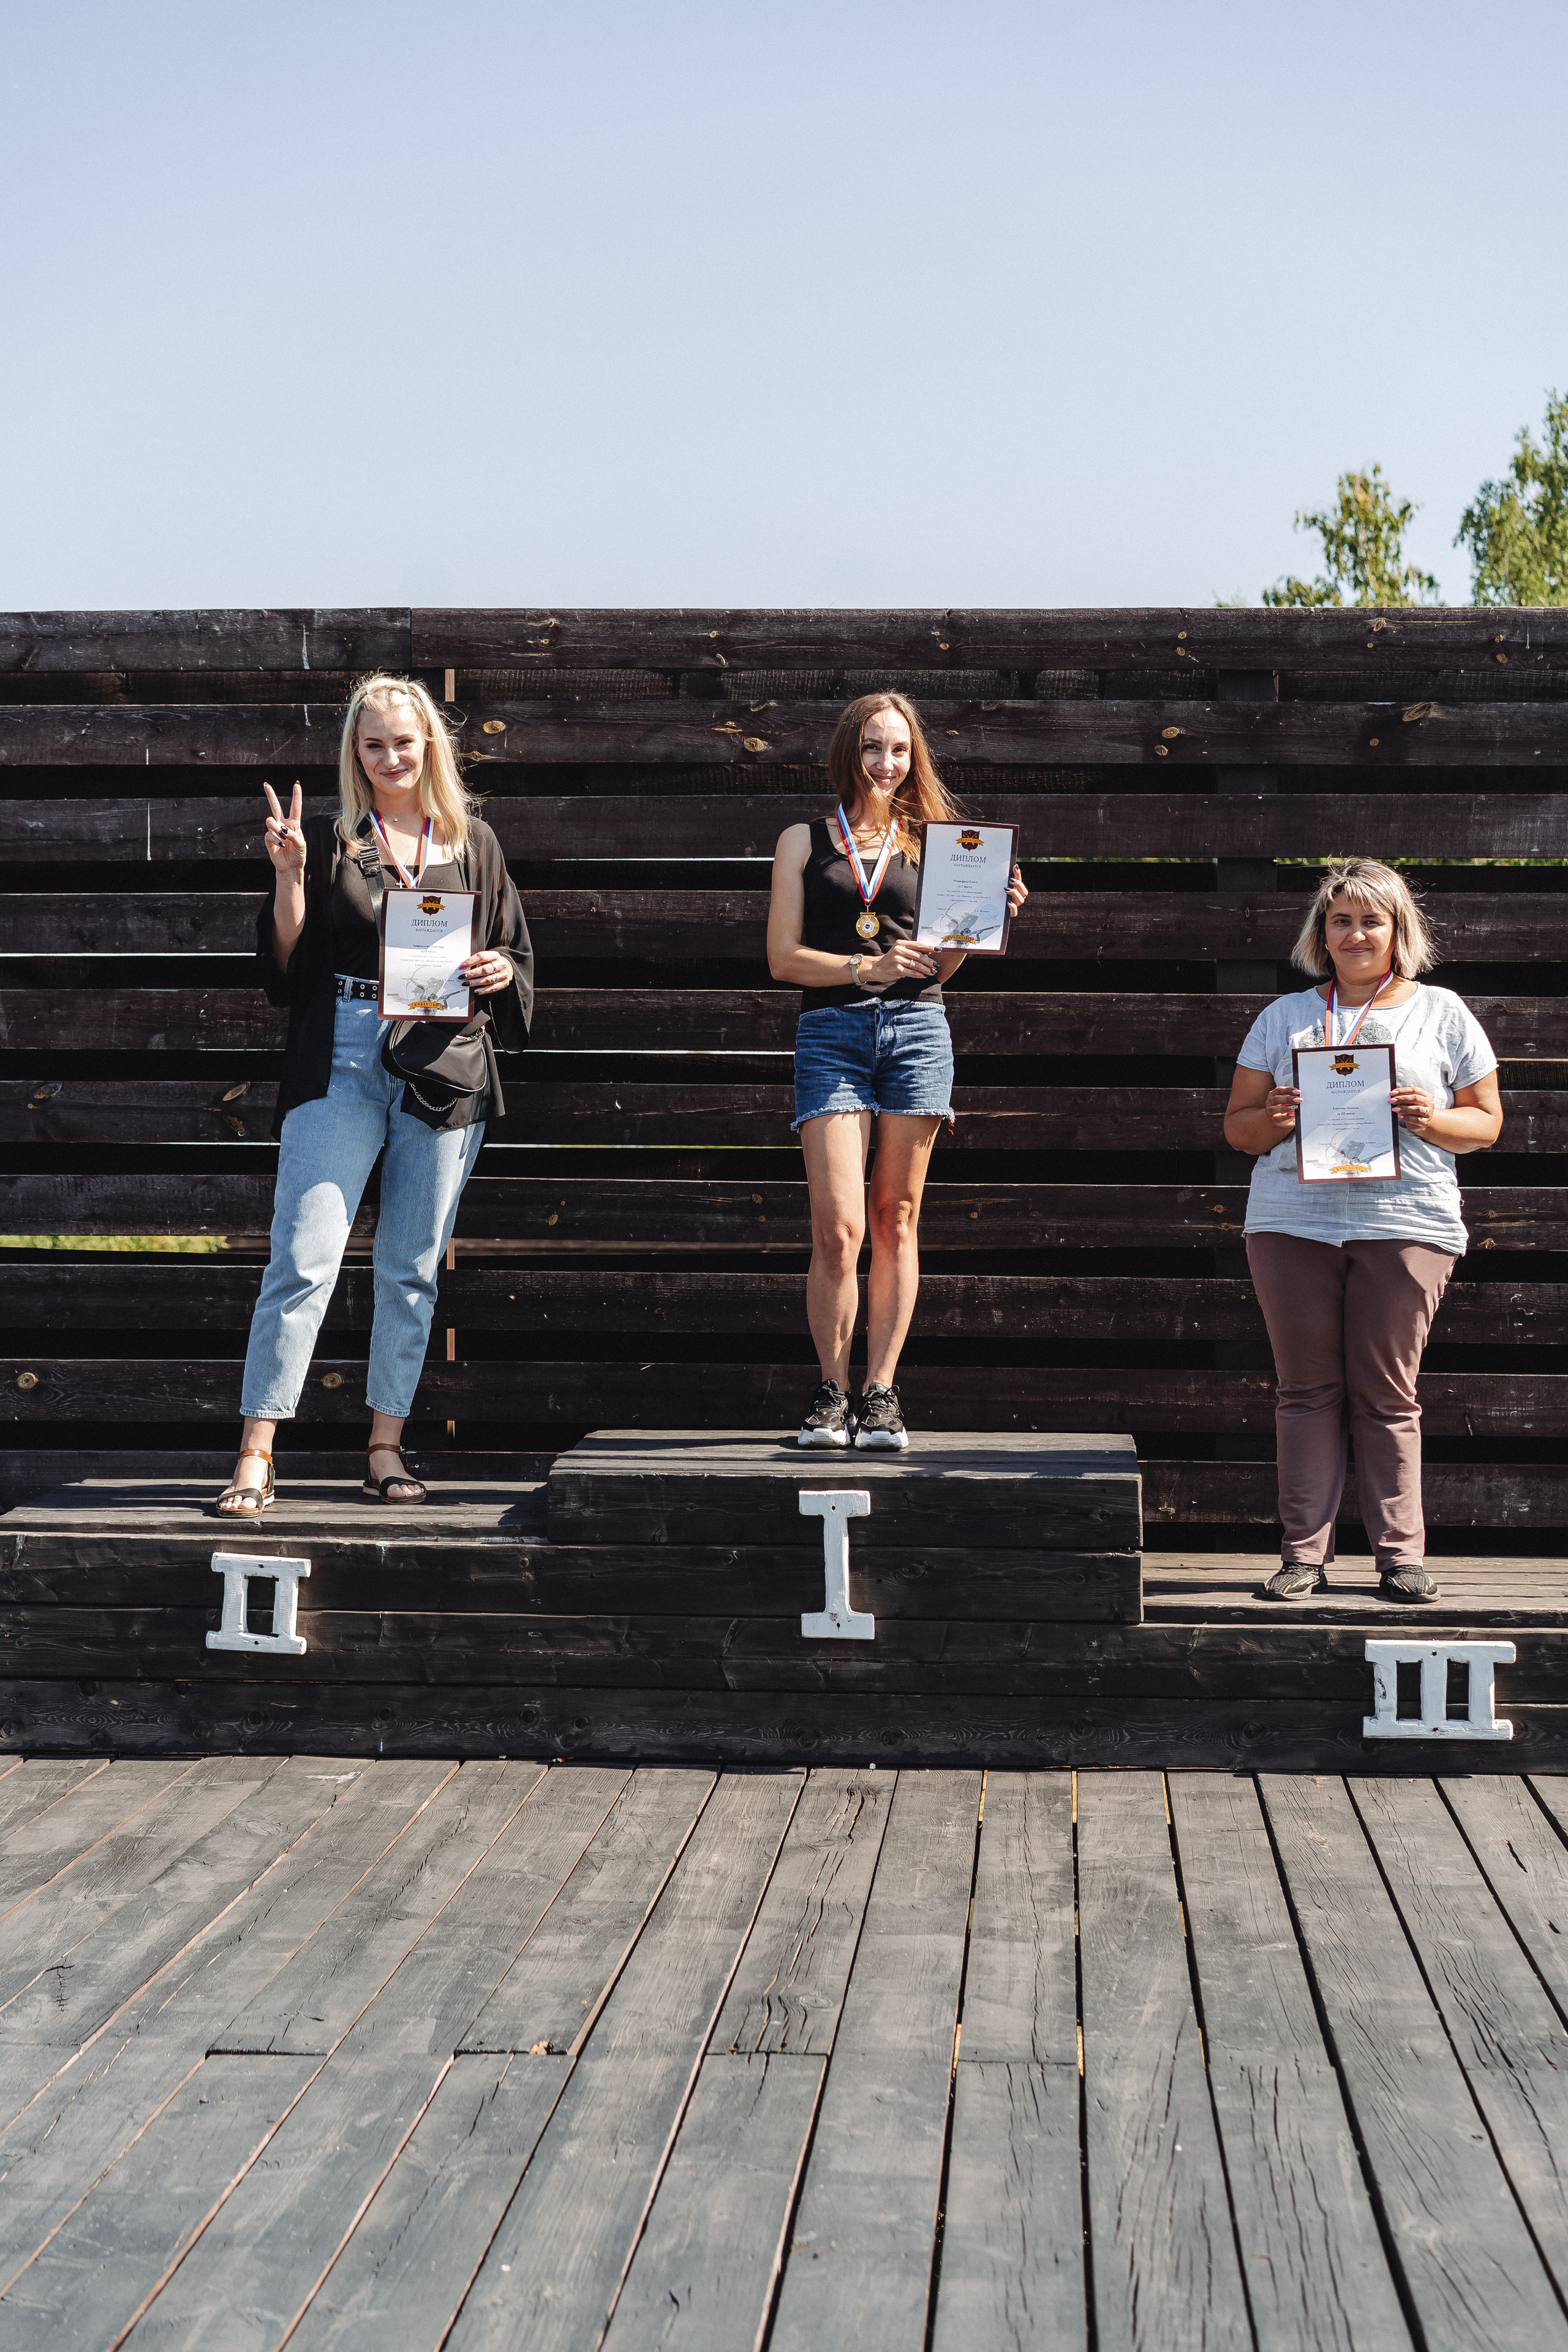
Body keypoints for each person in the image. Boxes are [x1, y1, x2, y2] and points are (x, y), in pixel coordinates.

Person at [216, 675, 533, 1515]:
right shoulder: (330, 839)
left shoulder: (474, 843)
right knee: (303, 1258)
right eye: (373, 745)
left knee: (411, 1270)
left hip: (443, 1061)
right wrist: (289, 875)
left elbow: (512, 954)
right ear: (354, 754)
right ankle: (256, 1452)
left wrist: (499, 971)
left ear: (430, 745)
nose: (391, 757)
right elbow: (289, 968)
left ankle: (384, 1448)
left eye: (403, 741)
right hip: (343, 1055)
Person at [1223, 858, 1502, 1602]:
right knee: (1304, 1391)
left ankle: (1400, 1558)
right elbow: (1238, 1130)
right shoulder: (1282, 1017)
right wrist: (1273, 1118)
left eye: (1371, 921)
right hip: (1291, 1221)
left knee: (1388, 1394)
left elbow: (1485, 1123)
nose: (1356, 934)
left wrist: (1430, 1118)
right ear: (1321, 933)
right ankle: (1303, 1558)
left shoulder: (1442, 1012)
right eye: (1340, 921)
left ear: (1398, 930)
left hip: (1405, 1219)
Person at [767, 692, 1027, 1450]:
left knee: (897, 1218)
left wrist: (986, 919)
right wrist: (865, 968)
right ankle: (831, 1393)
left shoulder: (936, 845)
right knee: (838, 1228)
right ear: (849, 751)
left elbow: (940, 963)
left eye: (901, 750)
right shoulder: (802, 840)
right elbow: (782, 959)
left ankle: (880, 1394)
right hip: (831, 1032)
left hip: (917, 1029)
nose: (887, 763)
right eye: (874, 747)